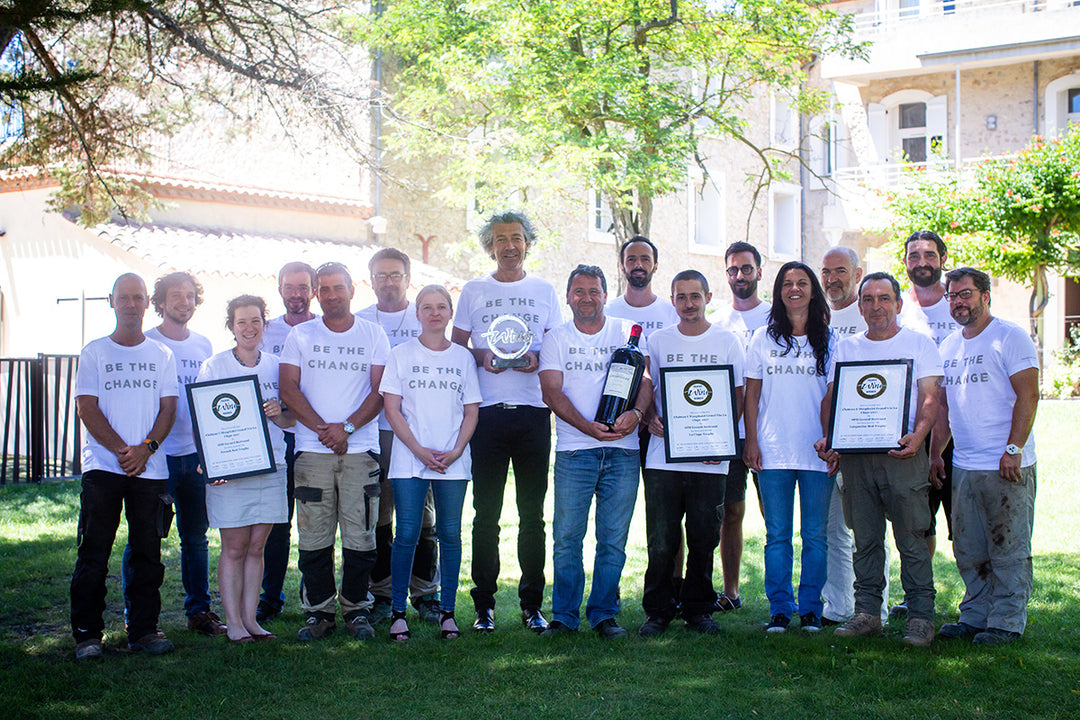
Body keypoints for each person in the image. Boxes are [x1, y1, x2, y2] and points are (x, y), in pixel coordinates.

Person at [816, 272, 943, 647]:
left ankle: (921, 616)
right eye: (868, 299)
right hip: (857, 457)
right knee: (865, 537)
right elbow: (832, 399)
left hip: (902, 454)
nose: (876, 306)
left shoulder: (919, 344)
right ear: (860, 306)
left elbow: (931, 398)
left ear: (898, 304)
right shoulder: (848, 347)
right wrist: (832, 438)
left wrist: (918, 437)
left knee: (912, 537)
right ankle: (868, 612)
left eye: (884, 299)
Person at [452, 211, 561, 634]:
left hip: (534, 413)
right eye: (501, 239)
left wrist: (537, 359)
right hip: (487, 415)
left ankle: (532, 606)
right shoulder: (474, 290)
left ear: (528, 243)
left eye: (516, 237)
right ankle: (484, 607)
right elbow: (458, 345)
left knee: (533, 515)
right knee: (486, 515)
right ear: (490, 246)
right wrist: (482, 357)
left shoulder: (545, 290)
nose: (509, 245)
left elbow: (553, 344)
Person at [538, 264, 652, 639]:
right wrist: (586, 426)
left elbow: (646, 380)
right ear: (568, 296)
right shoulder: (556, 337)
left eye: (594, 291)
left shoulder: (626, 332)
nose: (586, 298)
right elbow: (551, 391)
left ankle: (604, 614)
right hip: (574, 452)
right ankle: (565, 617)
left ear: (605, 294)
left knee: (613, 540)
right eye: (579, 291)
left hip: (623, 452)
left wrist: (636, 414)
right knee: (567, 537)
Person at [279, 261, 390, 641]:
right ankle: (319, 612)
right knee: (313, 537)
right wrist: (324, 431)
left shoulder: (373, 334)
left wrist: (346, 428)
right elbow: (289, 389)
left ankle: (357, 610)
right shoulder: (300, 336)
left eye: (336, 288)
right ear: (316, 294)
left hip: (360, 450)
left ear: (351, 290)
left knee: (361, 536)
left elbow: (380, 392)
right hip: (312, 453)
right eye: (322, 289)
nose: (330, 295)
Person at [71, 273, 178, 660]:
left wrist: (146, 449)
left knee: (148, 553)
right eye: (124, 298)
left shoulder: (162, 355)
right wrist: (121, 450)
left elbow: (169, 408)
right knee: (94, 551)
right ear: (112, 301)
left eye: (138, 298)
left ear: (148, 302)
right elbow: (87, 407)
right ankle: (87, 634)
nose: (131, 304)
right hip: (103, 468)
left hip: (150, 470)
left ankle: (144, 630)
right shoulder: (95, 352)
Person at [932, 267, 1039, 645]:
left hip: (1005, 464)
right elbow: (943, 408)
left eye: (965, 294)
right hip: (964, 465)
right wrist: (935, 455)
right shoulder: (949, 346)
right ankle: (975, 615)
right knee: (969, 545)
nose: (958, 301)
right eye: (952, 296)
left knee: (1008, 545)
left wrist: (1014, 449)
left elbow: (1029, 396)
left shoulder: (1009, 337)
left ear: (985, 296)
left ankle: (1007, 621)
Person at [638, 270, 744, 638]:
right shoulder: (658, 340)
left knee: (703, 536)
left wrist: (723, 441)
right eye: (681, 297)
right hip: (662, 456)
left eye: (694, 296)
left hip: (711, 458)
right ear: (672, 300)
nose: (688, 304)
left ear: (708, 297)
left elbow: (738, 395)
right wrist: (648, 416)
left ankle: (699, 608)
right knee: (662, 537)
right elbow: (647, 387)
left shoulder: (727, 341)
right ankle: (658, 609)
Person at [381, 285, 482, 641]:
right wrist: (420, 450)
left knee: (450, 535)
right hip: (410, 460)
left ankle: (448, 613)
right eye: (427, 307)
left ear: (450, 312)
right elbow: (391, 409)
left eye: (441, 307)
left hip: (453, 461)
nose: (434, 313)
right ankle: (397, 613)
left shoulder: (463, 358)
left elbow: (471, 411)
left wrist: (454, 452)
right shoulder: (400, 354)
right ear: (417, 313)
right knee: (407, 534)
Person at [125, 272, 222, 636]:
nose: (184, 302)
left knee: (196, 539)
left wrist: (208, 451)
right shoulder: (145, 343)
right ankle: (135, 613)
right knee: (145, 538)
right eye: (175, 296)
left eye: (190, 296)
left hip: (195, 456)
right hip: (157, 459)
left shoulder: (204, 346)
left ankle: (199, 612)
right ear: (160, 303)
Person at [744, 261, 836, 633]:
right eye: (786, 283)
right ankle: (780, 608)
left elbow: (834, 395)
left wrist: (834, 443)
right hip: (772, 450)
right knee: (777, 535)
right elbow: (751, 396)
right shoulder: (762, 339)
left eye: (801, 283)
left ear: (813, 290)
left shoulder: (830, 340)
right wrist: (751, 441)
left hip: (816, 452)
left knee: (815, 535)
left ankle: (811, 608)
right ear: (778, 291)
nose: (794, 289)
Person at [197, 295, 294, 642]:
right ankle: (233, 623)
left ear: (265, 325)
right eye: (241, 322)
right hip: (230, 470)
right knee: (235, 546)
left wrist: (278, 414)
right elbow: (205, 418)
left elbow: (292, 418)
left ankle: (251, 620)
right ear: (231, 327)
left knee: (257, 547)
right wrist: (212, 462)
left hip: (271, 466)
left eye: (255, 321)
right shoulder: (215, 366)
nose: (249, 328)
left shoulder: (278, 366)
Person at [356, 248, 440, 625]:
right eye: (381, 276)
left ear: (408, 279)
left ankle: (426, 592)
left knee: (422, 517)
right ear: (370, 280)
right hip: (376, 434)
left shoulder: (424, 317)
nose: (388, 282)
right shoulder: (359, 322)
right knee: (380, 516)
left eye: (395, 275)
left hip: (419, 435)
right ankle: (383, 592)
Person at [819, 247, 890, 628]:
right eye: (826, 271)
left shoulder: (872, 314)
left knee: (869, 529)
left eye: (841, 271)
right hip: (829, 439)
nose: (832, 279)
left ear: (858, 273)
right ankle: (839, 605)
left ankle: (875, 607)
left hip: (870, 435)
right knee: (833, 528)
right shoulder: (816, 315)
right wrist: (830, 438)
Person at [894, 230, 960, 618]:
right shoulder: (899, 310)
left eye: (929, 255)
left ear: (942, 258)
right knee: (917, 523)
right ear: (905, 262)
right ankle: (918, 595)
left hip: (960, 437)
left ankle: (978, 599)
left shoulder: (958, 304)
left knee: (965, 524)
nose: (922, 262)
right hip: (914, 434)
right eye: (914, 255)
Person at [257, 261, 318, 623]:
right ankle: (270, 596)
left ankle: (313, 595)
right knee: (276, 524)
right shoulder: (263, 331)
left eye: (302, 287)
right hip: (273, 440)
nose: (296, 293)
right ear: (279, 289)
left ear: (312, 290)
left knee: (314, 523)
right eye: (289, 286)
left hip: (313, 438)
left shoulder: (324, 330)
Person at [713, 241, 771, 613]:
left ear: (759, 272)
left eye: (746, 269)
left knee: (775, 514)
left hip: (771, 430)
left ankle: (783, 593)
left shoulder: (776, 316)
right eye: (733, 270)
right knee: (731, 512)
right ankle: (731, 591)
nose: (739, 276)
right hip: (731, 432)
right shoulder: (718, 321)